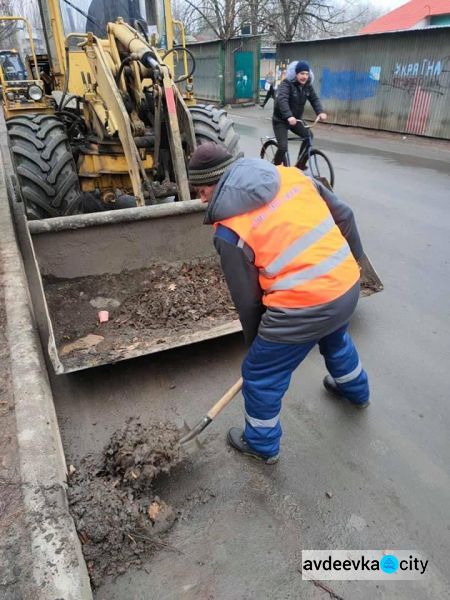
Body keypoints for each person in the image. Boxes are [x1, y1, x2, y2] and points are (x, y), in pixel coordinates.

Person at [188, 143, 370, 464]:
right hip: (345, 285)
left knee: (260, 374)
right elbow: (346, 215)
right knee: (334, 334)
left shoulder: (229, 231)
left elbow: (247, 301)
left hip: (304, 306)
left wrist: (259, 348)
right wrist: (354, 265)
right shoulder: (292, 176)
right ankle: (356, 391)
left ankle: (260, 444)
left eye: (202, 190)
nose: (201, 199)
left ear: (217, 181)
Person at [272, 60, 327, 166]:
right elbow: (282, 100)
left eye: (306, 74)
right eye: (302, 73)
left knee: (309, 136)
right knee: (283, 147)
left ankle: (300, 164)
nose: (304, 77)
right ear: (296, 74)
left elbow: (314, 99)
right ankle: (275, 169)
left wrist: (320, 112)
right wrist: (288, 116)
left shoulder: (307, 86)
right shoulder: (286, 84)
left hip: (296, 120)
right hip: (281, 121)